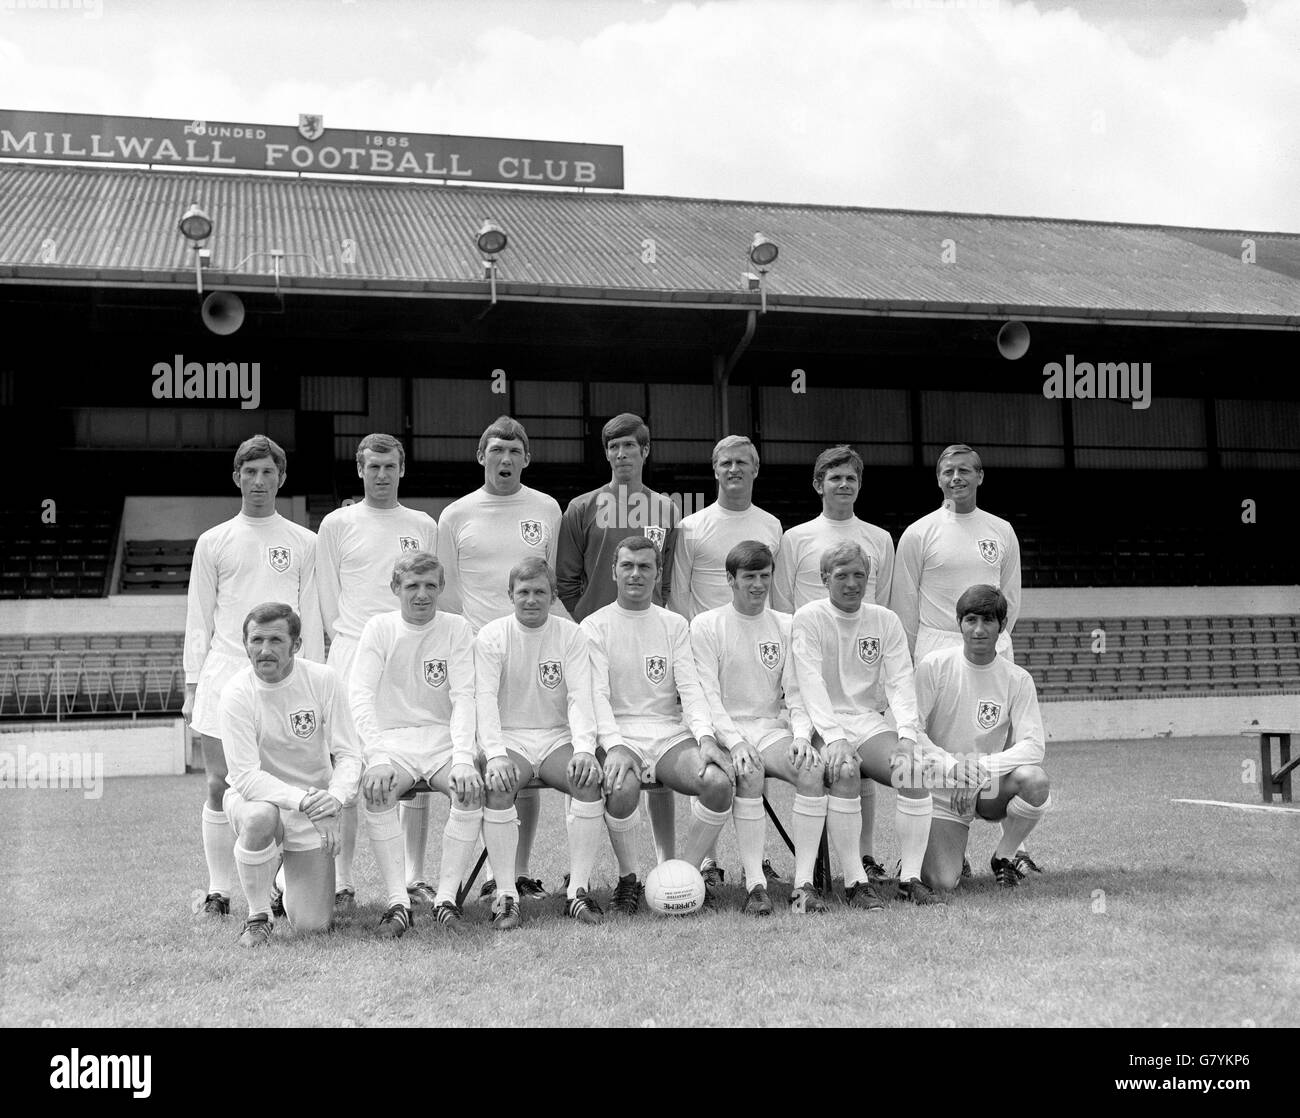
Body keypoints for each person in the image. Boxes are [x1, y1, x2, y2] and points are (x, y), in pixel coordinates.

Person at [184, 436, 323, 918]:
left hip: (285, 681)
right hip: (223, 677)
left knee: (286, 781)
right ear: (237, 477)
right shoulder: (213, 541)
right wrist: (191, 686)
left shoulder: (305, 542)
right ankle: (218, 891)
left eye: (268, 473)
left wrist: (315, 681)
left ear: (282, 479)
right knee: (220, 784)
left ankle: (283, 886)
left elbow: (312, 618)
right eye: (250, 472)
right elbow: (198, 619)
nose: (259, 481)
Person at [435, 415, 566, 901]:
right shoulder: (455, 515)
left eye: (514, 451)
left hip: (533, 650)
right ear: (481, 456)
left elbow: (552, 584)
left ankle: (518, 869)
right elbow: (447, 596)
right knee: (488, 758)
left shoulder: (547, 508)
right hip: (477, 656)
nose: (505, 459)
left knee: (526, 755)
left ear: (526, 458)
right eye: (496, 451)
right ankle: (490, 877)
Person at [317, 433, 439, 913]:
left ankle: (414, 878)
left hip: (409, 654)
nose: (382, 475)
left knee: (415, 754)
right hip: (352, 653)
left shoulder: (422, 523)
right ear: (360, 469)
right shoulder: (336, 523)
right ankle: (343, 880)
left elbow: (430, 587)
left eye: (390, 466)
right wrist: (356, 641)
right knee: (349, 765)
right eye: (374, 466)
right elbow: (327, 598)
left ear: (402, 469)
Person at [583, 536, 735, 915]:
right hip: (620, 733)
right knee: (621, 789)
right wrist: (615, 745)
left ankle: (683, 875)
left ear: (658, 573)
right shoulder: (594, 626)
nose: (636, 574)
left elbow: (691, 689)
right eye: (628, 566)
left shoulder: (673, 624)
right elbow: (596, 696)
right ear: (614, 571)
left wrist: (705, 737)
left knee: (717, 784)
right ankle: (628, 879)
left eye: (645, 566)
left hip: (668, 731)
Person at [555, 412, 680, 865]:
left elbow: (664, 578)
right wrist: (591, 620)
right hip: (597, 642)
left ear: (645, 451)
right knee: (593, 745)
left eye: (630, 446)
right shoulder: (582, 507)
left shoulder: (665, 509)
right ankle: (589, 869)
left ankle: (667, 860)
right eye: (613, 447)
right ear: (605, 453)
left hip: (649, 646)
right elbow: (566, 580)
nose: (621, 454)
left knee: (659, 741)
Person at [770, 444, 896, 887]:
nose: (843, 484)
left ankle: (864, 856)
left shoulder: (879, 538)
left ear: (860, 484)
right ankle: (820, 866)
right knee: (823, 759)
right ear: (818, 484)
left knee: (860, 765)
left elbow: (884, 602)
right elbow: (783, 603)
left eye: (851, 478)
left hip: (859, 667)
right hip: (810, 668)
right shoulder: (796, 538)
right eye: (834, 477)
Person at [793, 543, 942, 907]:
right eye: (841, 575)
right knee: (844, 771)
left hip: (866, 722)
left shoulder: (884, 619)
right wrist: (833, 738)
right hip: (822, 722)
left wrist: (907, 735)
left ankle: (909, 879)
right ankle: (856, 883)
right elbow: (809, 684)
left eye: (859, 575)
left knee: (914, 770)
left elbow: (900, 682)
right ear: (825, 578)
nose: (851, 583)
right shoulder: (809, 617)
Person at [691, 541, 827, 915]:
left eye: (764, 576)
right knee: (749, 772)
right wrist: (733, 742)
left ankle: (804, 886)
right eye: (748, 576)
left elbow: (798, 692)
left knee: (812, 768)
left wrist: (801, 736)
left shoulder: (786, 624)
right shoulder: (706, 625)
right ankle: (756, 885)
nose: (757, 584)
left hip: (770, 728)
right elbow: (707, 696)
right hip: (727, 729)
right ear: (730, 579)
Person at [669, 434, 782, 885]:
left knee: (759, 745)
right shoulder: (693, 526)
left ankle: (759, 857)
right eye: (726, 463)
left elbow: (778, 594)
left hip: (754, 655)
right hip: (706, 655)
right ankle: (710, 861)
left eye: (743, 462)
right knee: (712, 750)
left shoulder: (771, 525)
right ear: (714, 470)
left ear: (755, 469)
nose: (734, 470)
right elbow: (678, 593)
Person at [350, 551, 478, 937]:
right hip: (394, 742)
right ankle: (397, 902)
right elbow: (359, 695)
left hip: (441, 740)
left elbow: (464, 696)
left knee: (470, 791)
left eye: (430, 586)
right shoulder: (379, 628)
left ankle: (446, 899)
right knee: (378, 790)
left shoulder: (456, 628)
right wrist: (375, 757)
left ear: (441, 588)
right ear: (395, 588)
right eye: (412, 586)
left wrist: (463, 758)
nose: (421, 595)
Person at [474, 557, 606, 928]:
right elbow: (483, 700)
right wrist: (496, 755)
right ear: (510, 595)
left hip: (555, 736)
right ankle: (506, 894)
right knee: (498, 786)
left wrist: (583, 748)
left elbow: (582, 696)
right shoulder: (492, 636)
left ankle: (577, 892)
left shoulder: (571, 634)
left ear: (552, 596)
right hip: (510, 737)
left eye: (540, 592)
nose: (531, 600)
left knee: (587, 780)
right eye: (524, 592)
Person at [220, 602, 360, 946]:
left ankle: (281, 876)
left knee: (312, 925)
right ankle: (258, 915)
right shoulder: (236, 693)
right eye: (256, 640)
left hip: (313, 806)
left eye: (276, 641)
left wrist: (334, 799)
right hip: (258, 799)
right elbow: (247, 778)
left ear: (296, 645)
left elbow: (349, 753)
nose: (264, 650)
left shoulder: (322, 679)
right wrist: (309, 802)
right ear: (245, 644)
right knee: (259, 818)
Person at [916, 585, 1050, 891]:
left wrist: (980, 768)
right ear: (959, 622)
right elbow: (913, 731)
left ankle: (1004, 856)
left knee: (1035, 781)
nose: (978, 630)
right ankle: (940, 852)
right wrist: (952, 767)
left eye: (988, 621)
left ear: (1002, 626)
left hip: (985, 786)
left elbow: (1034, 745)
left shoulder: (1017, 679)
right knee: (941, 882)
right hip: (941, 789)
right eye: (971, 620)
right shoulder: (933, 666)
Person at [891, 444, 1021, 665]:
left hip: (990, 646)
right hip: (936, 647)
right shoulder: (918, 533)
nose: (956, 477)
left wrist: (993, 636)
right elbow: (904, 603)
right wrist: (911, 654)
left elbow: (1011, 596)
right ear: (938, 479)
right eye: (948, 472)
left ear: (980, 476)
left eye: (964, 470)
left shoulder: (1002, 530)